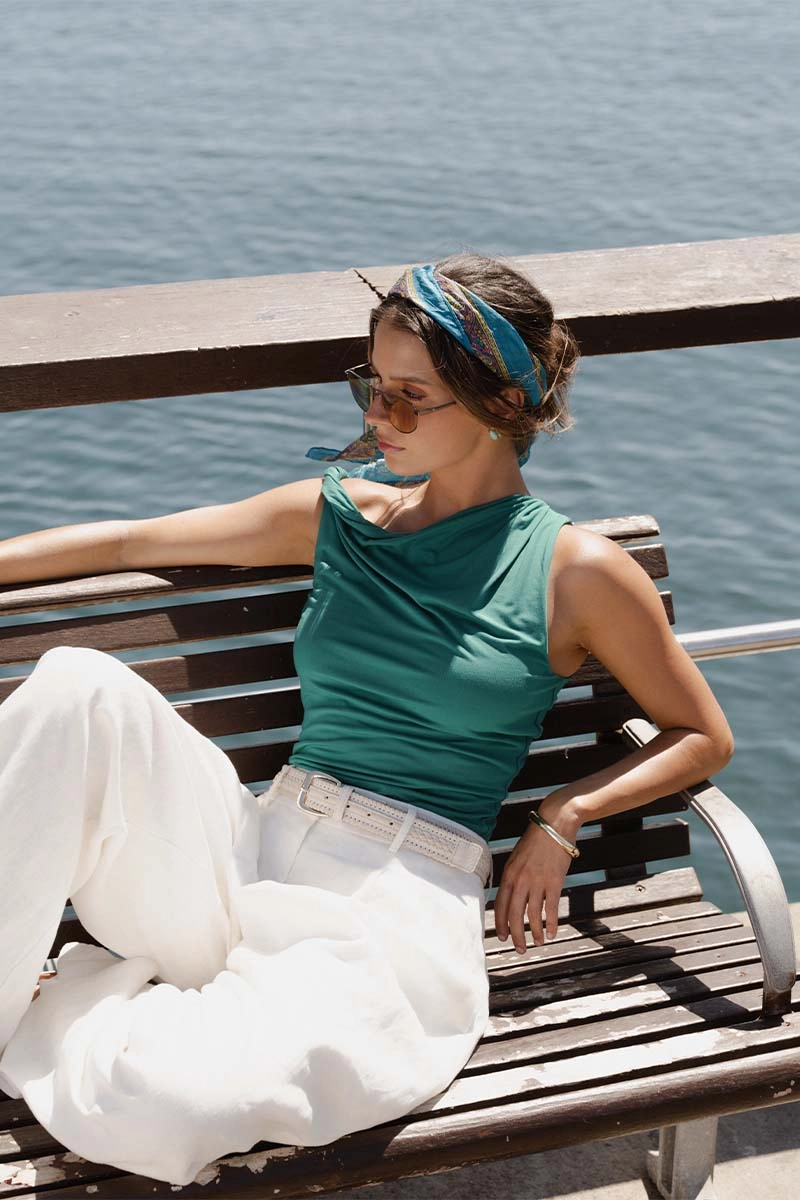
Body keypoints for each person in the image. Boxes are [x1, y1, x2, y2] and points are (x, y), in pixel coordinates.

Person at [0, 254, 733, 1185]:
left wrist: (563, 813)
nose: (377, 417)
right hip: (249, 851)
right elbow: (124, 541)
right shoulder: (339, 514)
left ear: (504, 402)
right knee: (77, 687)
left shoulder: (576, 571)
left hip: (393, 904)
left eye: (409, 398)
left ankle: (93, 1016)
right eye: (372, 387)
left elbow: (702, 734)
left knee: (174, 1102)